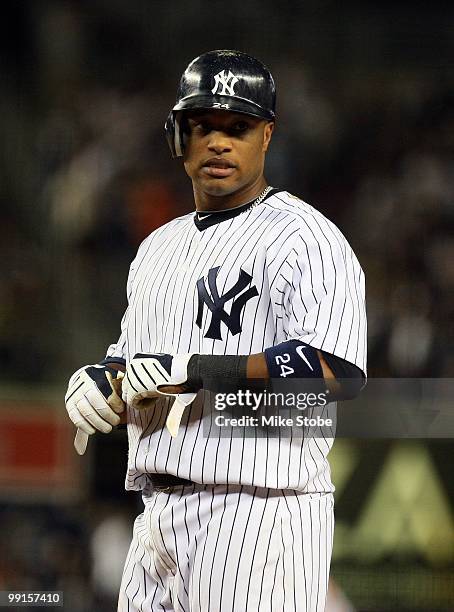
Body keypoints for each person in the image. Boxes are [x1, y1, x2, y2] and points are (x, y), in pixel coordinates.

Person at [65, 49, 367, 611]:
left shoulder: (305, 238)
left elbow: (335, 372)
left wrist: (201, 371)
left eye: (238, 126)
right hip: (155, 516)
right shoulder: (156, 249)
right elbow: (132, 363)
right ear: (178, 136)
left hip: (260, 516)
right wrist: (99, 379)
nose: (219, 142)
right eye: (202, 125)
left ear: (267, 136)